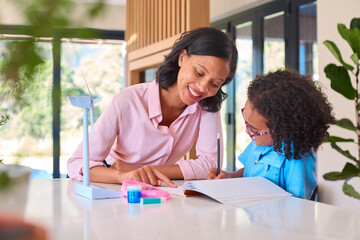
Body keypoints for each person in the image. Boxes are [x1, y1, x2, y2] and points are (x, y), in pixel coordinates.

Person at [67, 27, 238, 187]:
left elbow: (210, 166)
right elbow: (76, 163)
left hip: (158, 190)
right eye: (199, 73)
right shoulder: (128, 100)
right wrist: (122, 175)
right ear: (182, 58)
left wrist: (144, 170)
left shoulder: (207, 105)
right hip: (111, 183)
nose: (203, 88)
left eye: (215, 83)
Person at [207, 70, 335, 199]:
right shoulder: (259, 142)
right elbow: (249, 173)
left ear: (281, 130)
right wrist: (231, 176)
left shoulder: (297, 158)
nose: (248, 132)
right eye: (247, 124)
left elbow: (298, 203)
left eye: (255, 130)